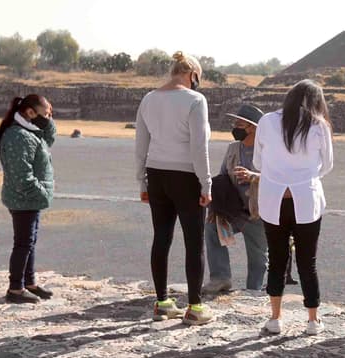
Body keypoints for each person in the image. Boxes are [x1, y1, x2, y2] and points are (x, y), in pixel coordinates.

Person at [135, 51, 213, 325]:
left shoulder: (149, 98)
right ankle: (195, 307)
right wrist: (206, 183)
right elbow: (199, 147)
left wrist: (141, 180)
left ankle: (162, 302)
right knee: (194, 242)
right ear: (192, 75)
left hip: (156, 174)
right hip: (186, 176)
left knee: (161, 238)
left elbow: (141, 143)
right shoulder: (195, 100)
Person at [254, 79, 334, 336]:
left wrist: (279, 173)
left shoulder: (266, 121)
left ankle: (275, 317)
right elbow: (327, 164)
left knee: (276, 260)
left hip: (273, 198)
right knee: (307, 261)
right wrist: (304, 175)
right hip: (306, 198)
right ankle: (312, 319)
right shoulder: (319, 125)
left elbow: (258, 160)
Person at [204, 103, 270, 295]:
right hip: (234, 211)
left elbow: (277, 179)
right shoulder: (233, 148)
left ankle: (254, 290)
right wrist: (216, 208)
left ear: (253, 127)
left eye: (240, 123)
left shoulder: (268, 151)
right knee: (211, 229)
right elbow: (223, 177)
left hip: (258, 213)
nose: (235, 127)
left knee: (258, 256)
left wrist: (253, 176)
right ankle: (220, 278)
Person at [0, 94, 57, 305]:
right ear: (30, 113)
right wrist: (41, 193)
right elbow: (22, 176)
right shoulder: (17, 136)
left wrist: (48, 119)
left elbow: (48, 140)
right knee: (23, 244)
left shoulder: (31, 132)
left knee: (29, 242)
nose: (48, 118)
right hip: (23, 198)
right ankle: (15, 288)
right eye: (45, 114)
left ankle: (29, 282)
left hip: (31, 200)